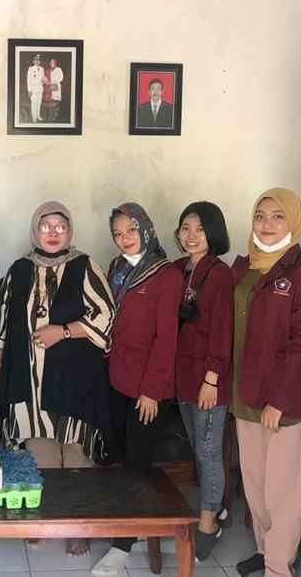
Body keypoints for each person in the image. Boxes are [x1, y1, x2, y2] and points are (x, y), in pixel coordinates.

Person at [0, 201, 115, 558]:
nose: (52, 233)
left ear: (70, 231)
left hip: (74, 378)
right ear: (35, 230)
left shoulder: (85, 265)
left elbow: (106, 315)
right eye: (45, 226)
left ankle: (79, 527)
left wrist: (61, 332)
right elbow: (3, 324)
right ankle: (45, 521)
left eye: (60, 226)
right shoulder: (19, 268)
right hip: (28, 381)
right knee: (39, 452)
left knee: (75, 454)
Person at [231, 188, 301, 577]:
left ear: (294, 221)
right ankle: (264, 550)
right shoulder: (245, 267)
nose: (267, 224)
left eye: (277, 216)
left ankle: (277, 567)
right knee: (255, 484)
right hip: (245, 393)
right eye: (260, 216)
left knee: (283, 490)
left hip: (283, 403)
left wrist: (280, 400)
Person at [92, 203, 181, 577]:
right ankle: (126, 522)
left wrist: (152, 390)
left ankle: (123, 546)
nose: (124, 238)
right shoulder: (117, 268)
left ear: (145, 229)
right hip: (116, 377)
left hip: (146, 387)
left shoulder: (166, 274)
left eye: (130, 230)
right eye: (117, 233)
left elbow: (166, 338)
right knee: (117, 456)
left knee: (137, 461)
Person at [173, 202, 233, 561]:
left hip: (209, 380)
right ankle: (218, 505)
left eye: (199, 229)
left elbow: (222, 330)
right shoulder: (180, 270)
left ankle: (209, 523)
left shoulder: (220, 274)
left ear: (213, 232)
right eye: (185, 228)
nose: (191, 236)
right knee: (199, 448)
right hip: (183, 377)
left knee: (209, 452)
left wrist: (212, 379)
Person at [26, 54, 46, 123]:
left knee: (39, 103)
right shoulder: (30, 69)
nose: (37, 61)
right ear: (33, 61)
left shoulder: (42, 69)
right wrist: (29, 90)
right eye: (36, 60)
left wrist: (45, 80)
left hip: (40, 89)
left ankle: (38, 115)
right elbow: (28, 80)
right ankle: (34, 118)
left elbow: (42, 78)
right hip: (33, 90)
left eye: (38, 60)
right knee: (34, 104)